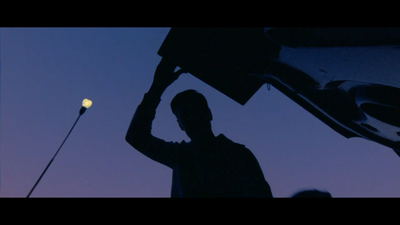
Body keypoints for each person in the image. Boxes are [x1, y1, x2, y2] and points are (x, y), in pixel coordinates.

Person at [125, 58, 273, 197]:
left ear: (208, 113)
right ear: (180, 124)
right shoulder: (181, 155)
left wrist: (158, 87)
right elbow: (137, 137)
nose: (192, 118)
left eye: (196, 110)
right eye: (185, 115)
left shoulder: (240, 155)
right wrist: (157, 87)